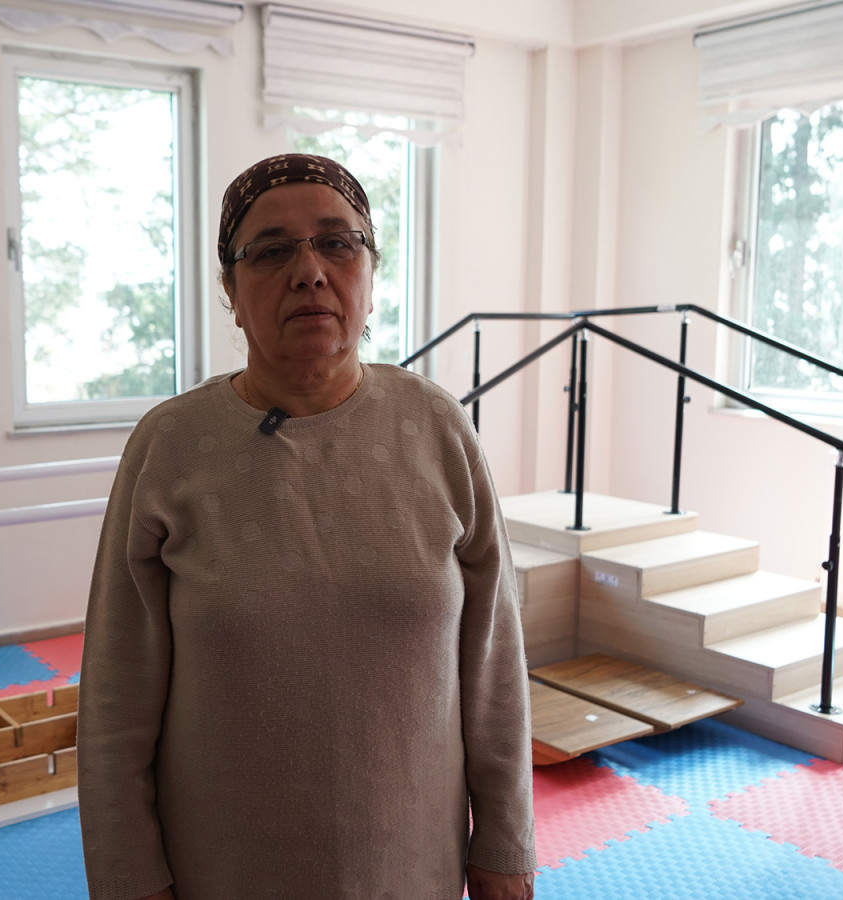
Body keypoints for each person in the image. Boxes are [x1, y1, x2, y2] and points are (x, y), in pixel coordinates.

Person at [77, 153, 537, 900]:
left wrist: (507, 846)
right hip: (223, 870)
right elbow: (114, 694)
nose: (310, 272)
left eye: (337, 243)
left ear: (370, 274)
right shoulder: (171, 446)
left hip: (411, 864)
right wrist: (130, 879)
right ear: (231, 292)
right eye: (270, 251)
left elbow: (494, 666)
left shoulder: (437, 428)